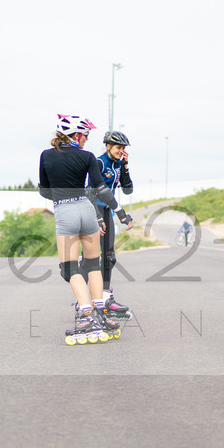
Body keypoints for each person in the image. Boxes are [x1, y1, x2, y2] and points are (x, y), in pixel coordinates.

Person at [38, 115, 133, 344]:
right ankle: (101, 312)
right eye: (85, 136)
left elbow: (44, 190)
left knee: (69, 269)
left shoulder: (46, 156)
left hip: (65, 211)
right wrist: (120, 212)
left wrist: (59, 195)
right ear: (76, 135)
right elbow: (101, 189)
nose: (86, 140)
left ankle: (86, 314)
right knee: (93, 264)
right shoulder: (88, 157)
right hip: (88, 212)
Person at [91, 130, 134, 320]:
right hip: (95, 211)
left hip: (108, 211)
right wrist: (97, 217)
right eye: (118, 147)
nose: (120, 151)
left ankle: (107, 299)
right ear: (108, 146)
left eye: (123, 148)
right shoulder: (99, 162)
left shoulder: (118, 164)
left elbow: (127, 190)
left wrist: (125, 166)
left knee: (109, 257)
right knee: (90, 260)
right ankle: (85, 300)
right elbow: (89, 192)